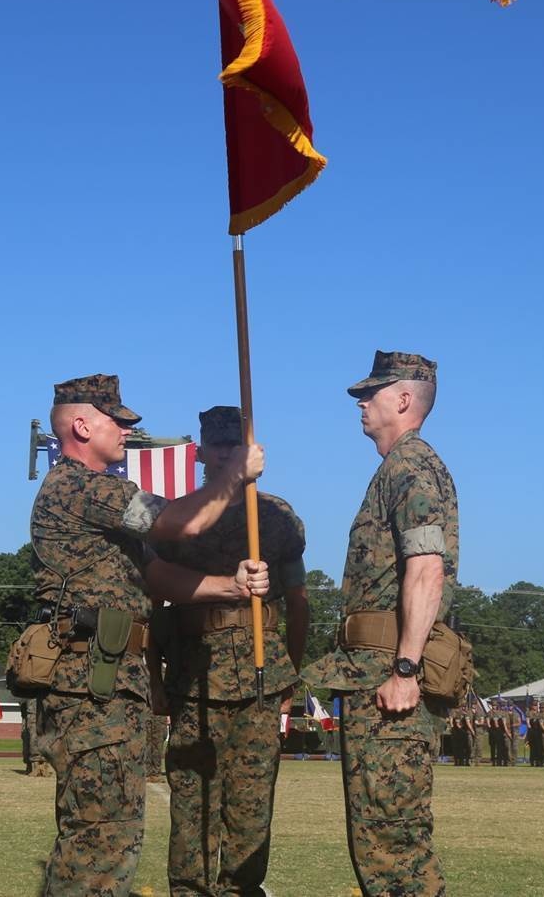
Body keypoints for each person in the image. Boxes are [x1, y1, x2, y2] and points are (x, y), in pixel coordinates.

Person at [31, 375, 269, 897]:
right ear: (81, 424)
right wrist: (232, 477)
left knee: (111, 833)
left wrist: (229, 586)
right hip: (92, 684)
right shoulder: (78, 486)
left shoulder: (100, 504)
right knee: (98, 839)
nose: (126, 429)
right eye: (115, 419)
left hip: (112, 681)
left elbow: (156, 577)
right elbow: (178, 523)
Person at [305, 349, 458, 897]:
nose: (361, 402)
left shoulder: (410, 466)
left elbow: (426, 567)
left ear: (402, 399)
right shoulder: (400, 467)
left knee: (391, 842)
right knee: (382, 835)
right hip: (373, 673)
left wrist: (405, 668)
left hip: (388, 679)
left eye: (370, 393)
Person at [153, 405, 309, 897]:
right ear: (201, 452)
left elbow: (299, 602)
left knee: (252, 802)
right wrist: (155, 678)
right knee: (192, 801)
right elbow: (155, 603)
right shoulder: (180, 520)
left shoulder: (278, 518)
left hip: (262, 677)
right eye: (217, 445)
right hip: (195, 677)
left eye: (234, 445)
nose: (225, 454)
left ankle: (242, 890)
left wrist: (293, 677)